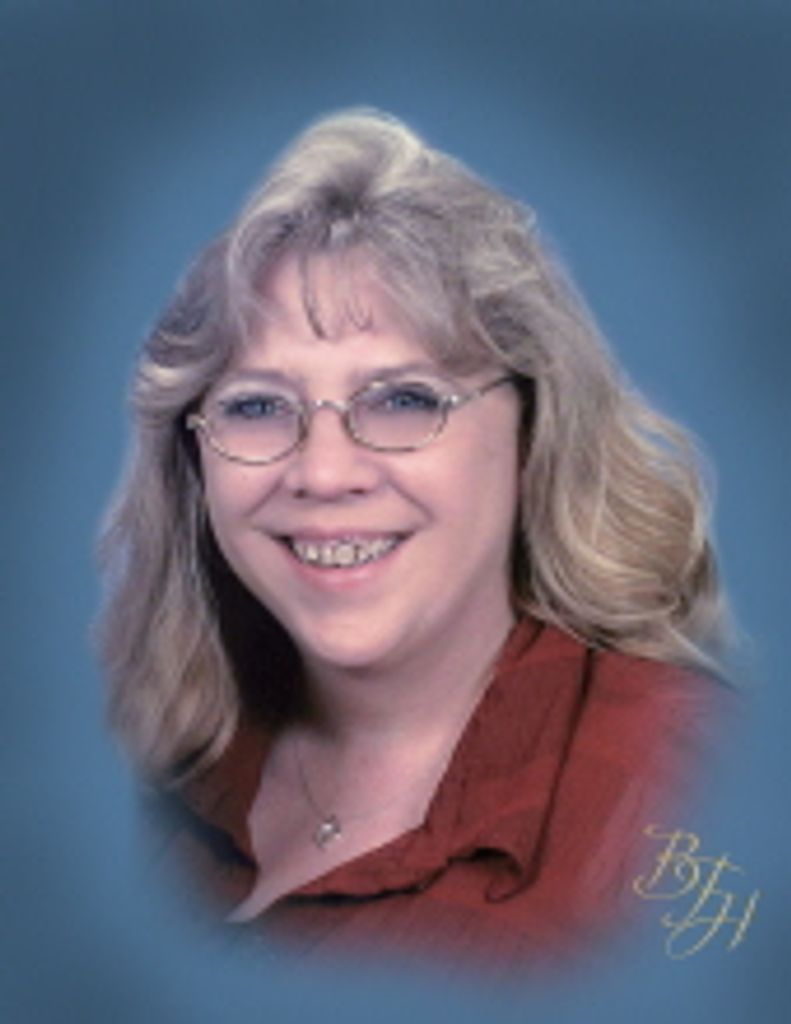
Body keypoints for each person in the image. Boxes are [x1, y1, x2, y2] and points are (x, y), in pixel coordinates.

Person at [98, 109, 730, 975]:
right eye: (256, 406)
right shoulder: (146, 773)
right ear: (192, 458)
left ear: (534, 430)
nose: (324, 473)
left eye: (403, 400)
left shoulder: (696, 794)